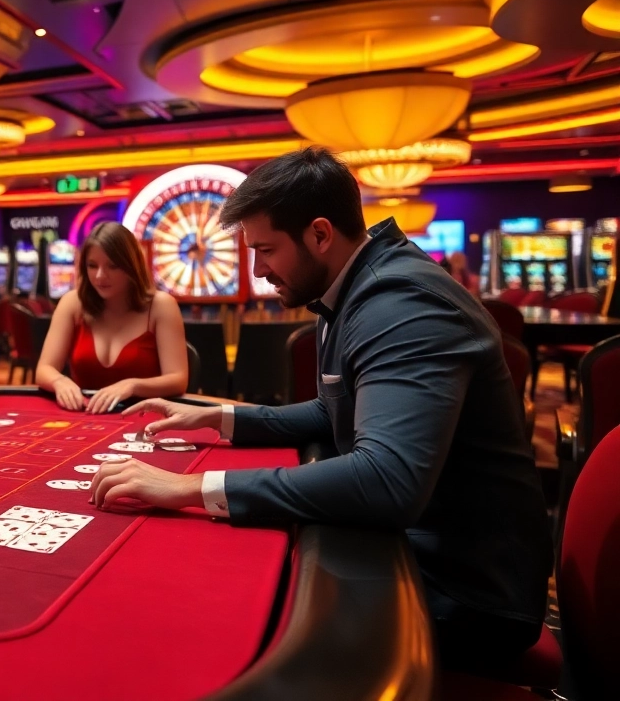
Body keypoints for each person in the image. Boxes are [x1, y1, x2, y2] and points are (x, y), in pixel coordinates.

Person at [90, 147, 551, 676]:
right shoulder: (351, 285)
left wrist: (190, 487)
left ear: (320, 234)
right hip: (423, 546)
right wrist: (216, 416)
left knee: (224, 615)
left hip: (470, 591)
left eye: (266, 250)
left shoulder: (401, 304)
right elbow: (338, 411)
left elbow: (387, 480)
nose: (259, 270)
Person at [35, 222, 189, 413]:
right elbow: (44, 369)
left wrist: (132, 386)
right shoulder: (73, 303)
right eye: (92, 265)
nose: (100, 275)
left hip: (144, 417)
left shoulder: (161, 306)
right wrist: (59, 381)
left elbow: (178, 379)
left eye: (112, 266)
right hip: (84, 415)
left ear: (131, 265)